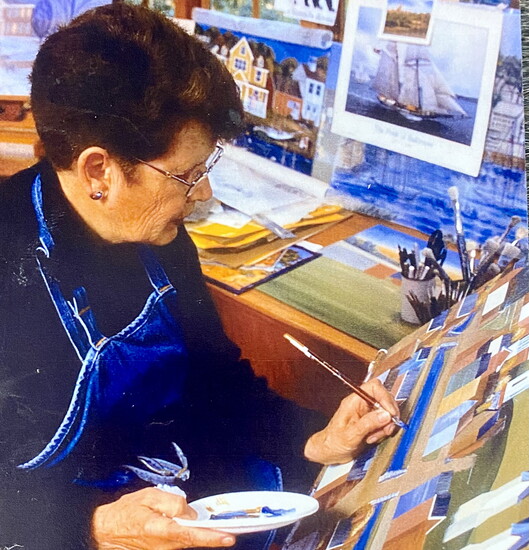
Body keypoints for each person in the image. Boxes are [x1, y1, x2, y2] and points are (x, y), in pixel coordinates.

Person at [0, 4, 400, 549]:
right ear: (99, 171)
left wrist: (316, 439)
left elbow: (218, 383)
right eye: (187, 175)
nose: (204, 194)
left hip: (181, 494)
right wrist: (91, 527)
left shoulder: (159, 236)